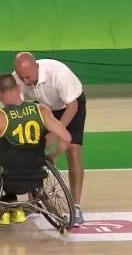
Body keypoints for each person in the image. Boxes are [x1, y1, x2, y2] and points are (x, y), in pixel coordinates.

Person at [0, 73, 72, 225]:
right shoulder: (41, 110)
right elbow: (66, 138)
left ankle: (4, 206)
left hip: (9, 178)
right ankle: (18, 208)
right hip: (36, 175)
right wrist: (54, 156)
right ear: (19, 88)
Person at [12, 52, 87, 226]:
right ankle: (33, 202)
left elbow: (72, 106)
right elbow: (17, 107)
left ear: (36, 67)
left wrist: (55, 131)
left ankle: (75, 207)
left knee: (73, 151)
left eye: (29, 77)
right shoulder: (18, 78)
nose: (26, 82)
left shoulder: (58, 73)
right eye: (22, 78)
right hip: (45, 109)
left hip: (70, 106)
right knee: (30, 147)